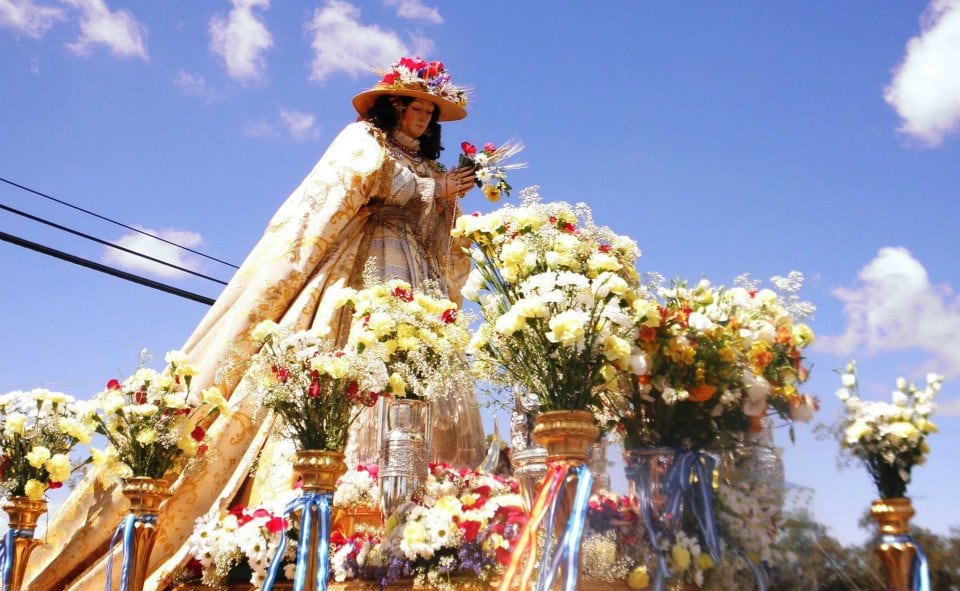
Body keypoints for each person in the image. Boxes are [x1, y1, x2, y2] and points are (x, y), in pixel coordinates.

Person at [25, 57, 487, 591]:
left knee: (429, 377)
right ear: (396, 107)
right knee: (349, 367)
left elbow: (433, 230)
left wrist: (449, 211)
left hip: (415, 274)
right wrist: (434, 192)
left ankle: (435, 524)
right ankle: (332, 518)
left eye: (431, 112)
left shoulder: (433, 170)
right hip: (365, 266)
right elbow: (359, 180)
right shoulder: (365, 140)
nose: (423, 119)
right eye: (416, 107)